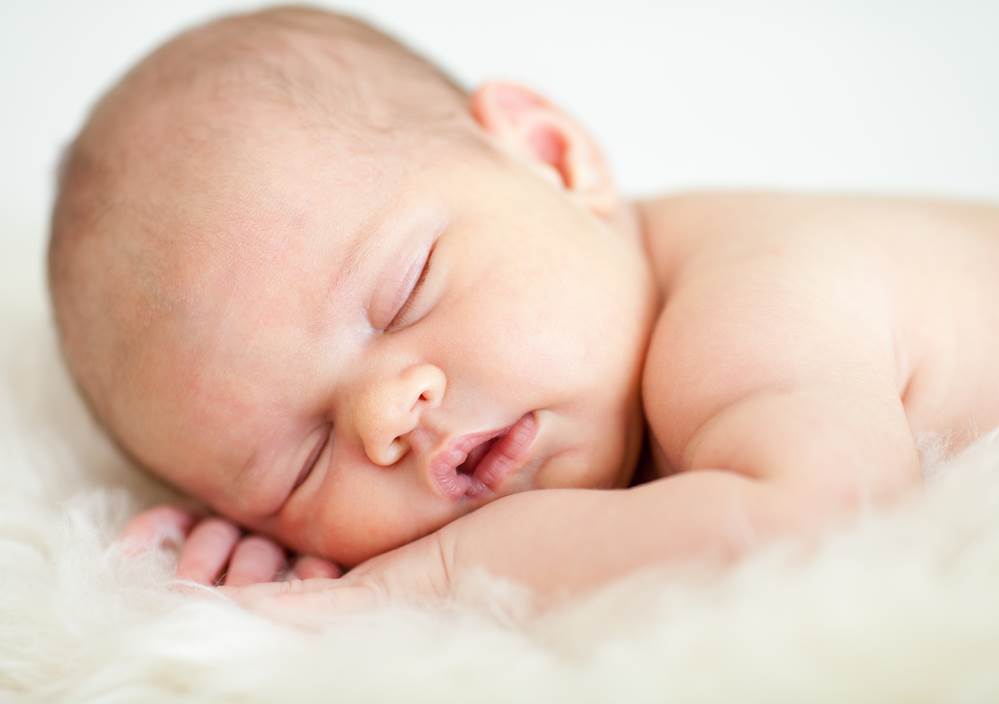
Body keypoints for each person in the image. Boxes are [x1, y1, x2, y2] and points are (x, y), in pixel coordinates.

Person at [47, 5, 999, 620]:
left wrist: (437, 580)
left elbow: (819, 523)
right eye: (298, 463)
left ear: (551, 157)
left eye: (403, 291)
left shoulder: (749, 308)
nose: (386, 418)